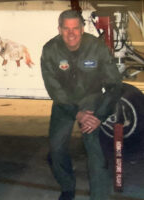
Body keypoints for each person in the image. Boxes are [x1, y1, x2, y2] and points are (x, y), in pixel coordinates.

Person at [40, 10, 122, 200]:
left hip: (91, 102)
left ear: (83, 28)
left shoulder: (97, 47)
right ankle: (67, 186)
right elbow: (53, 87)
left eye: (75, 28)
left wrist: (99, 116)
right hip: (64, 103)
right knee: (56, 148)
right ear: (59, 29)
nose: (71, 33)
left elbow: (114, 85)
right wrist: (75, 113)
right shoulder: (50, 50)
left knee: (95, 150)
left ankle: (99, 196)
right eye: (66, 29)